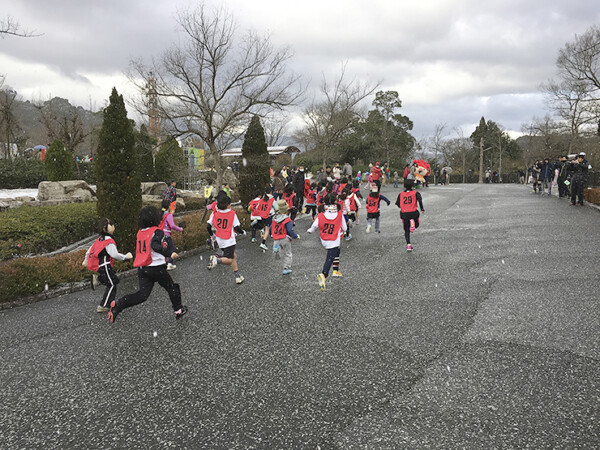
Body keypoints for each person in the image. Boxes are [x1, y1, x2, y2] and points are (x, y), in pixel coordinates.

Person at [107, 206, 187, 323]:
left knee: (142, 295)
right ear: (154, 218)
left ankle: (119, 304)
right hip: (157, 267)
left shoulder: (140, 232)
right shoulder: (157, 231)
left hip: (143, 268)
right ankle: (178, 310)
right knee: (172, 287)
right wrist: (170, 253)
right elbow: (155, 246)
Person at [83, 218, 133, 313]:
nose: (114, 227)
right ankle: (104, 305)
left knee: (113, 281)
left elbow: (89, 250)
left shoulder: (99, 239)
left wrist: (86, 260)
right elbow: (114, 254)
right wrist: (126, 257)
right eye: (112, 225)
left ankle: (98, 278)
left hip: (100, 266)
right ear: (109, 228)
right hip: (105, 265)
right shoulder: (109, 240)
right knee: (112, 283)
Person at [306, 193, 347, 291]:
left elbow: (314, 226)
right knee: (329, 258)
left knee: (337, 251)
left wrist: (310, 231)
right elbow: (345, 228)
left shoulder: (321, 214)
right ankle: (323, 274)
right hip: (333, 240)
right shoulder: (339, 214)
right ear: (335, 202)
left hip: (324, 239)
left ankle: (336, 270)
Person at [206, 191, 246, 284]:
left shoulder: (215, 214)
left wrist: (213, 236)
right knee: (229, 259)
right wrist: (243, 232)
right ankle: (217, 260)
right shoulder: (232, 214)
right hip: (229, 239)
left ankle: (237, 276)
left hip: (220, 239)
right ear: (228, 205)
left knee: (233, 256)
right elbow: (236, 227)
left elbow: (208, 226)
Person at [271, 199, 300, 275]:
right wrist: (295, 236)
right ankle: (286, 268)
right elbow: (290, 230)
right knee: (288, 253)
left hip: (276, 238)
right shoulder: (287, 219)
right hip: (285, 238)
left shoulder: (274, 219)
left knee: (277, 248)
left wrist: (272, 234)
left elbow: (271, 228)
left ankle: (276, 250)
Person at [395, 179, 425, 252]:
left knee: (406, 230)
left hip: (404, 213)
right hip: (413, 213)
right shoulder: (415, 193)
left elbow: (398, 204)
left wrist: (403, 206)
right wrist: (422, 209)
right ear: (412, 186)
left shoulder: (401, 194)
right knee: (416, 225)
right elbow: (420, 201)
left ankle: (408, 245)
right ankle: (413, 223)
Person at [159, 199, 185, 270]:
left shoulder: (160, 214)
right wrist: (180, 229)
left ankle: (162, 265)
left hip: (160, 235)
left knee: (163, 250)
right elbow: (172, 225)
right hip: (167, 235)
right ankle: (170, 264)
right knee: (172, 249)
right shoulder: (168, 215)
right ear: (168, 206)